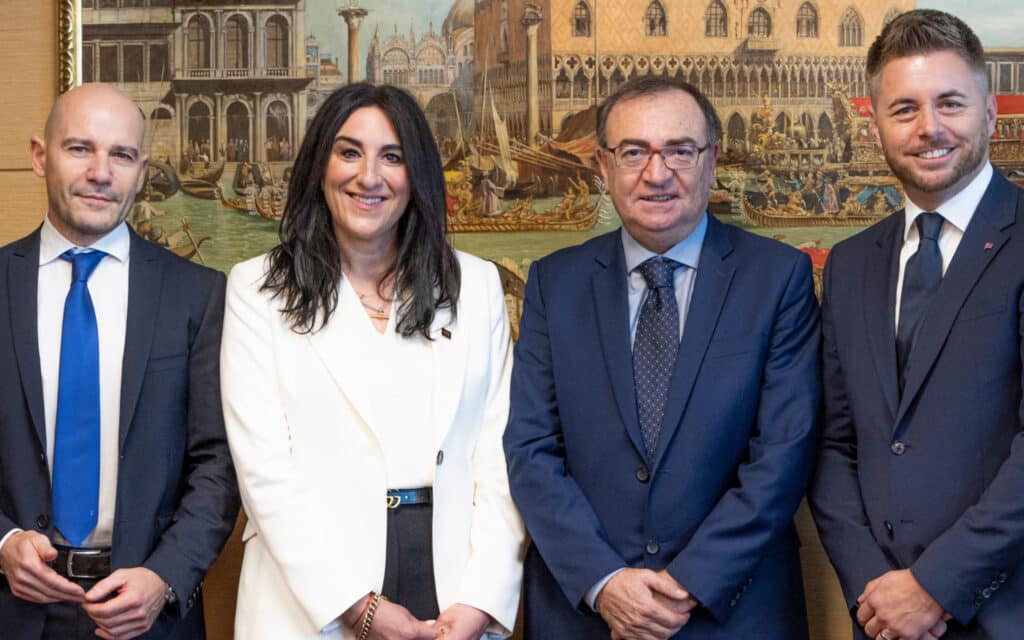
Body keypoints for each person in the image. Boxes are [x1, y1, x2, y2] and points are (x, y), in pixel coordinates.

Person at [504, 74, 820, 639]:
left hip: (734, 610)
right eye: (634, 152)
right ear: (603, 167)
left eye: (679, 150)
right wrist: (605, 581)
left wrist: (688, 584)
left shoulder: (780, 278)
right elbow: (531, 449)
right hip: (587, 613)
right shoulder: (555, 284)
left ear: (712, 159)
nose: (657, 173)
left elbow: (783, 452)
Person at [220, 83, 524, 639]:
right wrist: (358, 608)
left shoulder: (475, 285)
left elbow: (499, 459)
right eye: (349, 152)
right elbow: (264, 473)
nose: (369, 177)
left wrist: (482, 599)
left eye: (393, 157)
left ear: (419, 176)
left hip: (452, 589)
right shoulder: (257, 290)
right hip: (313, 597)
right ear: (319, 165)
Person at [809, 10, 1024, 640]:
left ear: (988, 112)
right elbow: (834, 444)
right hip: (879, 619)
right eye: (904, 109)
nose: (929, 128)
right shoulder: (849, 265)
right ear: (875, 123)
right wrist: (873, 591)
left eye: (950, 103)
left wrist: (936, 587)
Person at [0, 83, 239, 639]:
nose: (101, 172)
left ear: (142, 169)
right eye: (79, 148)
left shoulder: (197, 295)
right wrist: (4, 541)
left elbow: (218, 463)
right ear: (40, 156)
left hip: (149, 617)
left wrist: (165, 576)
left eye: (122, 155)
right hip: (11, 608)